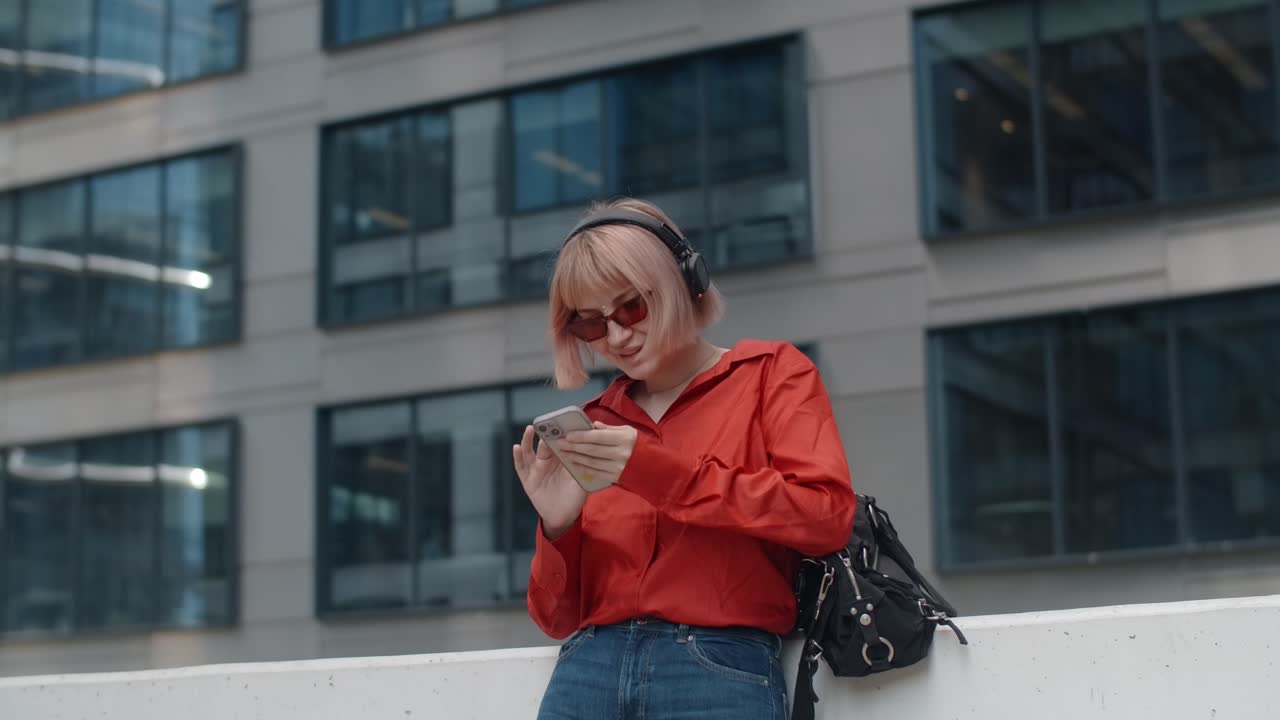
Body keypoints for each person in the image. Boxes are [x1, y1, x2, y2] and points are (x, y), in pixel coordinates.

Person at [512, 197, 857, 720]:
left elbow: (825, 517)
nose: (617, 337)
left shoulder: (772, 375)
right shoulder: (594, 421)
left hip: (717, 666)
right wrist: (558, 529)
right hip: (586, 669)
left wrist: (650, 469)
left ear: (684, 280)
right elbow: (555, 619)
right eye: (591, 325)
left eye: (632, 307)